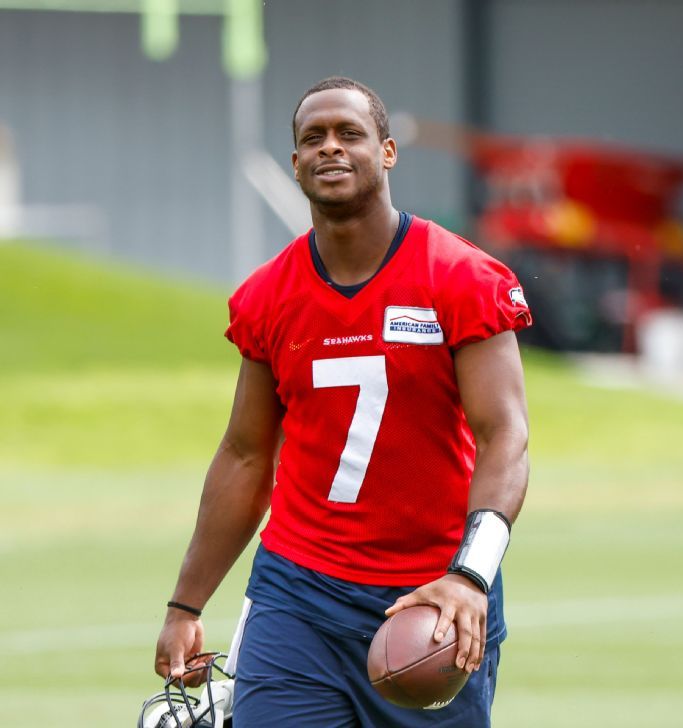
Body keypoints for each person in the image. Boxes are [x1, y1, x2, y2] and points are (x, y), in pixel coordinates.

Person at [152, 76, 532, 727]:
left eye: (349, 133)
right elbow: (245, 456)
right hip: (299, 589)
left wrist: (471, 576)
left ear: (386, 152)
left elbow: (506, 436)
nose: (331, 148)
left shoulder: (460, 278)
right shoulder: (268, 296)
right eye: (313, 138)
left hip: (432, 591)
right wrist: (186, 605)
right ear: (296, 163)